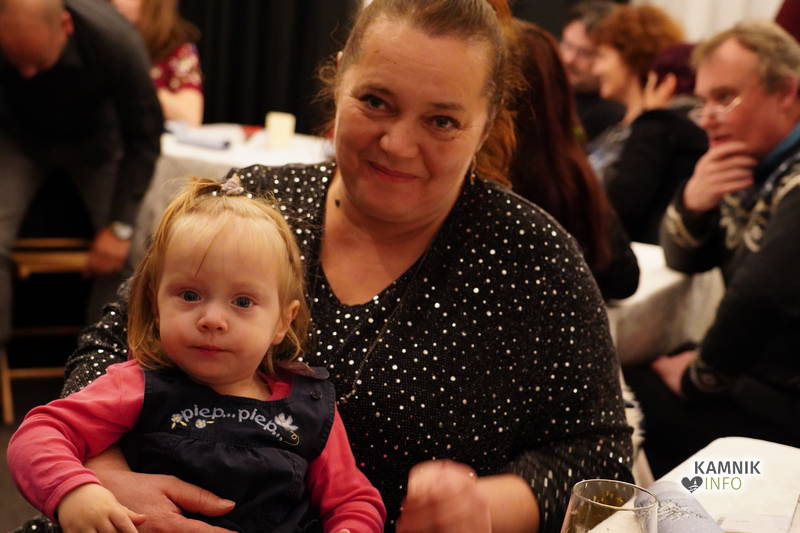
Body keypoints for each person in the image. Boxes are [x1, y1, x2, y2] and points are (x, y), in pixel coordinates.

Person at [15, 1, 634, 532]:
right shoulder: (255, 201)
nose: (398, 143)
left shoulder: (531, 258)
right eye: (376, 101)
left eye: (442, 120)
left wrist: (483, 506)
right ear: (339, 82)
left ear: (488, 122)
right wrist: (105, 479)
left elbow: (598, 454)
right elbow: (108, 346)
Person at [8, 176, 386, 533]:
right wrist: (76, 491)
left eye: (242, 301)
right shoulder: (137, 385)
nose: (212, 320)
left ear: (282, 323)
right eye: (190, 295)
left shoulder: (312, 409)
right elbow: (40, 434)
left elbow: (353, 500)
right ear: (156, 306)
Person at [630, 21, 800, 476]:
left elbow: (759, 296)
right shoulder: (753, 162)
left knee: (621, 398)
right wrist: (693, 202)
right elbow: (683, 258)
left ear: (786, 91)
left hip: (786, 400)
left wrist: (697, 379)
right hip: (761, 375)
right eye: (703, 101)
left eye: (725, 98)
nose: (707, 117)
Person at [0, 0, 162, 342]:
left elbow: (144, 139)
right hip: (18, 141)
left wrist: (119, 227)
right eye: (16, 62)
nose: (27, 74)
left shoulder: (116, 41)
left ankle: (102, 355)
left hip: (95, 146)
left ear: (66, 26)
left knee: (133, 250)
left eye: (38, 61)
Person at [500, 18, 639, 300]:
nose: (572, 59)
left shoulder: (497, 182)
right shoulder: (567, 168)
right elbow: (621, 276)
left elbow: (623, 277)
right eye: (568, 47)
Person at [589, 4, 707, 244]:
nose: (595, 69)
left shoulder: (658, 129)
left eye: (602, 56)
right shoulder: (618, 124)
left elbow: (622, 208)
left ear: (632, 58)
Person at [111, 0, 204, 126]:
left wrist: (134, 85)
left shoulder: (177, 49)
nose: (116, 2)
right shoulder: (104, 42)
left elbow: (190, 117)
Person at [558, 0, 624, 143]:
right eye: (567, 45)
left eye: (585, 53)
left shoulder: (613, 115)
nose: (569, 59)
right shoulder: (549, 90)